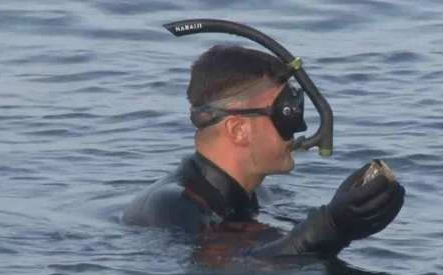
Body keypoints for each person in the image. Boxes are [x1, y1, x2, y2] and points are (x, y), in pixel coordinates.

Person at [121, 44, 405, 259]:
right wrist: (331, 226)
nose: (298, 127)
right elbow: (232, 270)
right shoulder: (173, 207)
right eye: (286, 113)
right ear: (237, 130)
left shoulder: (258, 195)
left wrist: (350, 218)